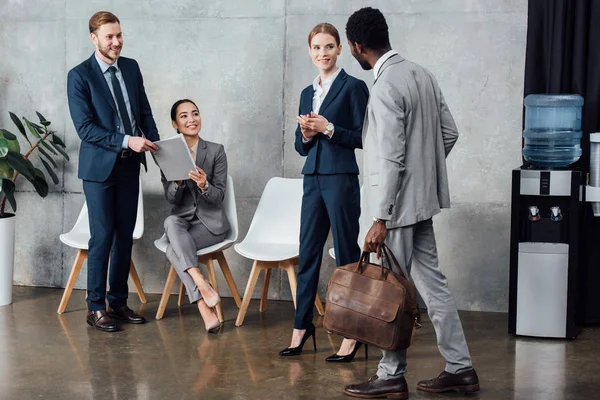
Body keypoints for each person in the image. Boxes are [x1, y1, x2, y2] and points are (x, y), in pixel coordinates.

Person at [343, 7, 480, 398]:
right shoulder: (422, 74)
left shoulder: (385, 86)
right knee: (433, 286)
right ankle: (461, 367)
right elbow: (448, 134)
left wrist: (380, 216)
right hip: (419, 203)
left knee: (390, 293)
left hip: (395, 211)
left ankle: (390, 374)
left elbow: (389, 158)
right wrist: (422, 178)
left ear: (357, 46)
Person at [279, 23, 369, 361]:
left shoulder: (353, 87)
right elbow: (300, 148)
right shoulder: (307, 92)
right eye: (316, 48)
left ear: (339, 49)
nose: (322, 53)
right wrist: (306, 134)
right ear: (309, 51)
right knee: (308, 255)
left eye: (329, 47)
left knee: (346, 257)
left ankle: (353, 331)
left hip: (341, 178)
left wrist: (328, 127)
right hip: (312, 179)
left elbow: (364, 138)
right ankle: (302, 327)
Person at [67, 11, 160, 333]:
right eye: (109, 36)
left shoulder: (131, 68)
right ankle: (95, 308)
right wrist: (126, 140)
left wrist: (159, 146)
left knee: (123, 237)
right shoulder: (79, 76)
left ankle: (117, 302)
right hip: (99, 170)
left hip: (130, 165)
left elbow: (143, 111)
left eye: (119, 35)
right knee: (102, 237)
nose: (116, 41)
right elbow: (86, 129)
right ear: (94, 38)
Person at [161, 99, 230, 333]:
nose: (191, 119)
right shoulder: (167, 154)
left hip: (209, 225)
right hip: (182, 221)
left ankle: (203, 306)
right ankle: (203, 285)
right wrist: (178, 183)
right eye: (184, 116)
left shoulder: (215, 151)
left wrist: (204, 185)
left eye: (195, 114)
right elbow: (171, 200)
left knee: (173, 250)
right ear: (175, 124)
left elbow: (219, 196)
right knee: (170, 220)